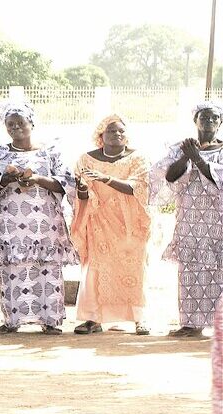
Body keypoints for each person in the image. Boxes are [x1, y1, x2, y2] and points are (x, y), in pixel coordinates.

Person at [0, 101, 77, 335]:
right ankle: (12, 321)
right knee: (11, 268)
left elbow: (66, 182)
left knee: (48, 267)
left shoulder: (51, 150)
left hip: (45, 221)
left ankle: (50, 321)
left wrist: (38, 179)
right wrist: (8, 179)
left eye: (20, 123)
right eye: (10, 124)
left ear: (31, 123)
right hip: (9, 222)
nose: (15, 128)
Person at [69, 114, 152, 335]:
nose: (117, 134)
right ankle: (92, 319)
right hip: (98, 222)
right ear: (101, 136)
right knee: (96, 269)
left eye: (121, 131)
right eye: (111, 131)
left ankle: (138, 318)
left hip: (129, 224)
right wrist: (83, 188)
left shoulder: (138, 158)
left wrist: (105, 179)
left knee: (133, 269)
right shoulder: (86, 159)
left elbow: (137, 188)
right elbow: (82, 196)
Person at [150, 101, 223, 339]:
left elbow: (218, 182)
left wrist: (199, 160)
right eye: (204, 118)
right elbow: (169, 176)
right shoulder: (181, 147)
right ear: (196, 122)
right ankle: (191, 323)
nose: (209, 122)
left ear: (220, 122)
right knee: (189, 271)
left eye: (214, 118)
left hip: (218, 220)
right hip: (190, 222)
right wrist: (186, 156)